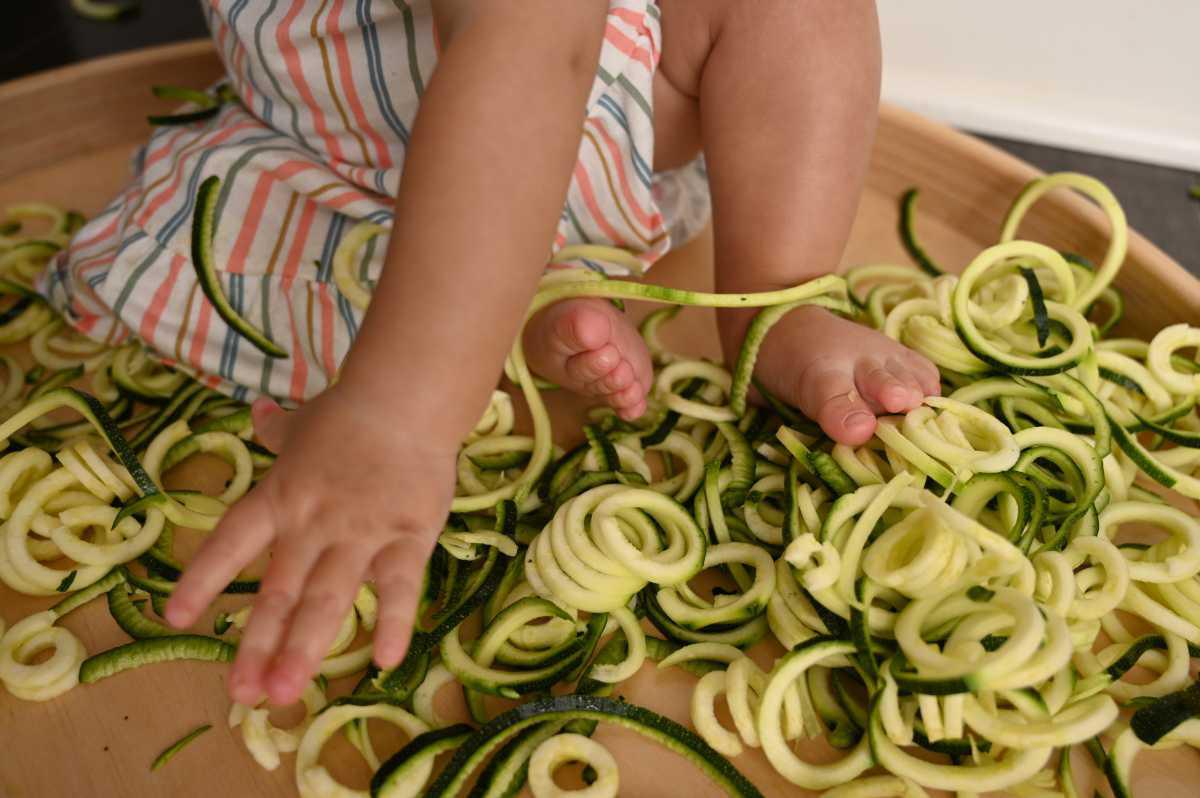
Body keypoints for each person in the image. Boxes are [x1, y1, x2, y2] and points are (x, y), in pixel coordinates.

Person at [44, 0, 937, 708]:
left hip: (612, 107)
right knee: (224, 250)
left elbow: (534, 41)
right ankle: (525, 299)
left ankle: (775, 295)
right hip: (338, 159)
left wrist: (399, 417)